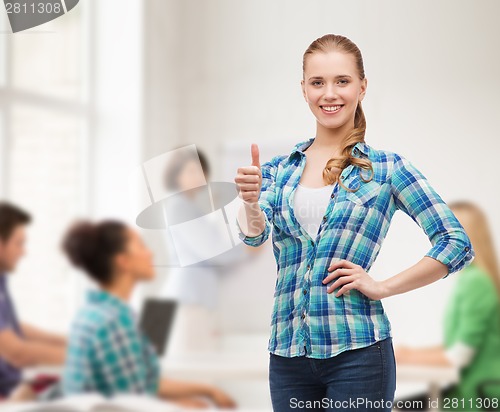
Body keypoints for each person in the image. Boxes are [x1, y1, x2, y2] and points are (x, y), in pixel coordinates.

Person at [234, 33, 474, 412]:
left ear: (362, 87)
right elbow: (255, 236)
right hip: (287, 356)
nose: (329, 94)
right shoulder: (279, 170)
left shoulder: (387, 169)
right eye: (318, 82)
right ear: (304, 90)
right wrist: (249, 203)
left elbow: (455, 242)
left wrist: (381, 286)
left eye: (341, 81)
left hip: (358, 354)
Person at [61, 219, 237, 409]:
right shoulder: (114, 322)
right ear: (123, 261)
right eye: (141, 245)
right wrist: (185, 406)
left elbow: (144, 383)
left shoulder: (96, 313)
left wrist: (206, 390)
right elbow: (132, 403)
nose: (150, 253)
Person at [394, 201, 500, 412]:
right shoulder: (473, 279)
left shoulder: (476, 282)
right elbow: (460, 344)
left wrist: (409, 357)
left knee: (396, 408)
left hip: (478, 395)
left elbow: (459, 356)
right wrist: (411, 353)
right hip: (470, 390)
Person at [0, 202, 67, 400]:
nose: (23, 252)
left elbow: (11, 327)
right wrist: (85, 357)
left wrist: (70, 341)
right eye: (19, 243)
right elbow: (17, 353)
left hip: (15, 386)